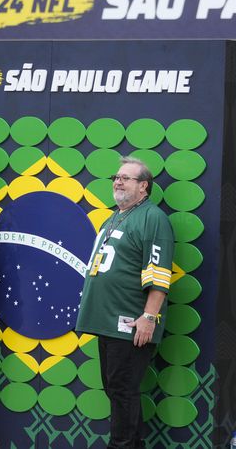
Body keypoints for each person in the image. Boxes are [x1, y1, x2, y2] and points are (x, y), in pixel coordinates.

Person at [75, 156, 174, 448]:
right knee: (116, 388)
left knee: (122, 389)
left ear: (144, 186)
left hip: (130, 321)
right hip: (108, 323)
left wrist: (149, 317)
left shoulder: (152, 217)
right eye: (116, 177)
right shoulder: (115, 216)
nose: (117, 181)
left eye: (126, 178)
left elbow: (159, 275)